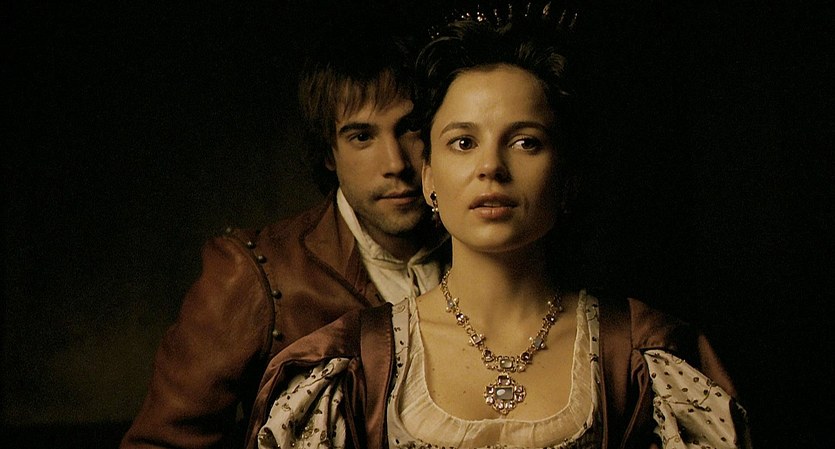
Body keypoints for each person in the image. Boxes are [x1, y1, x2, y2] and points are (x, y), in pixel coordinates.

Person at [244, 4, 752, 449]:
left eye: (525, 141)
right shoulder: (352, 365)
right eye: (463, 143)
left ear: (567, 178)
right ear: (429, 178)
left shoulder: (643, 357)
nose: (490, 166)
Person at [120, 12, 449, 449]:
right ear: (328, 152)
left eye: (410, 128)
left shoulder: (492, 251)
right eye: (361, 137)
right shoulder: (253, 271)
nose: (395, 163)